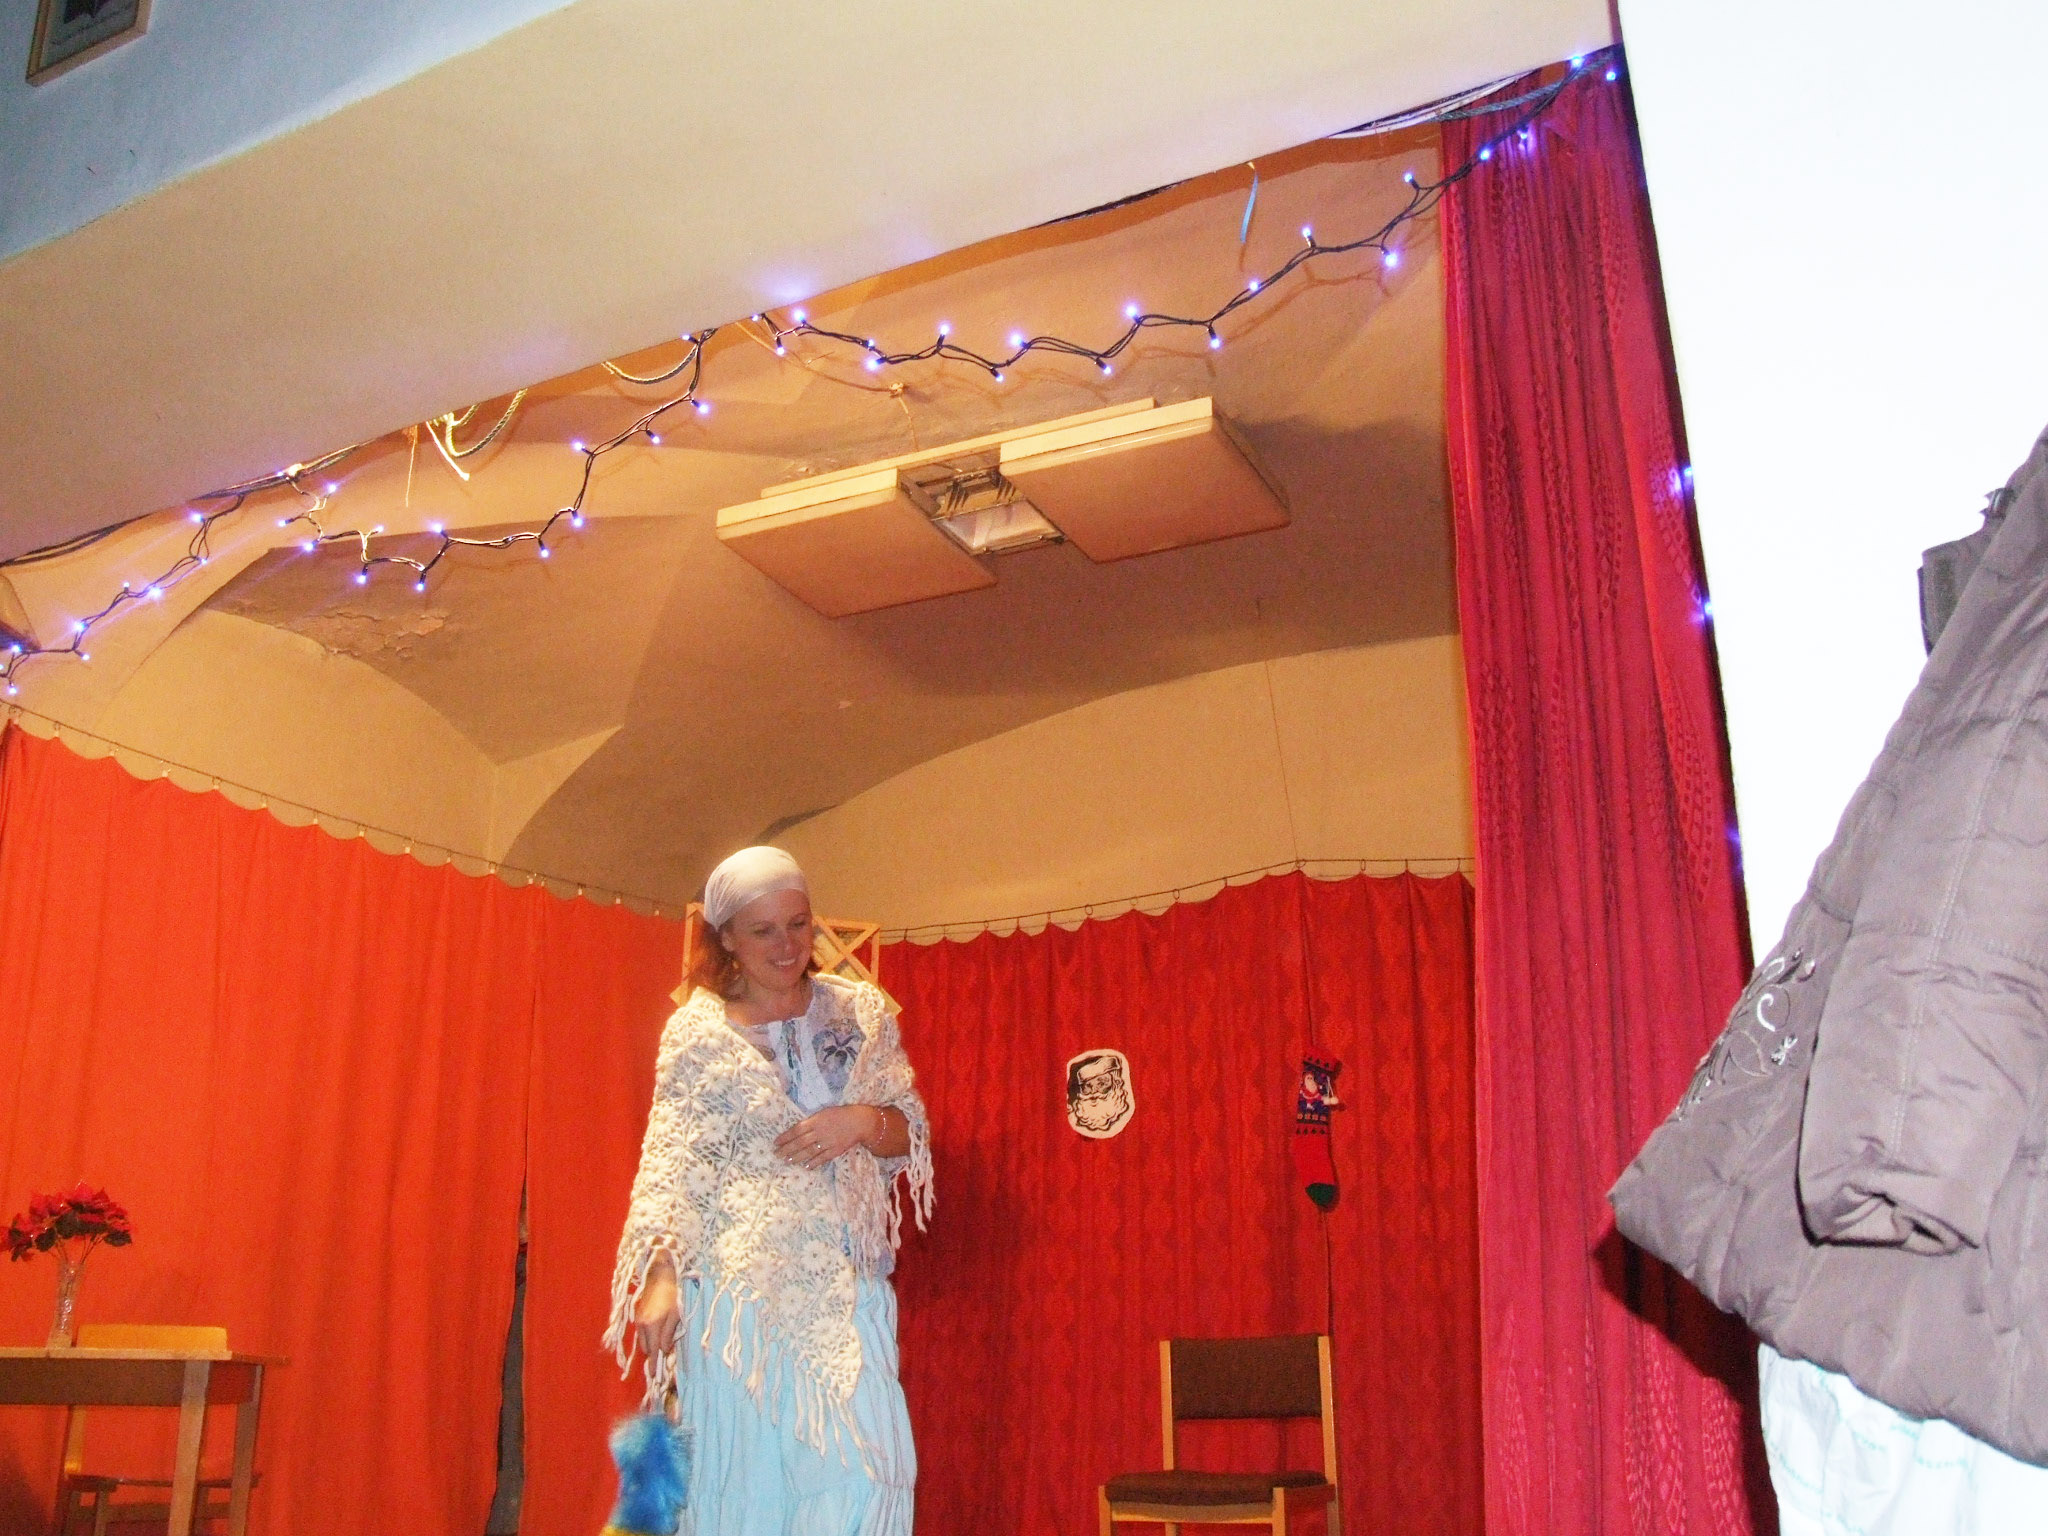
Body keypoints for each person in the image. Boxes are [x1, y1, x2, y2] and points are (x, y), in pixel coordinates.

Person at [606, 846, 933, 1536]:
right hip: (739, 1303)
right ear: (726, 937)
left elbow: (908, 1132)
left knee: (870, 1477)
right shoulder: (696, 1034)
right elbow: (674, 1166)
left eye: (798, 924)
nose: (787, 946)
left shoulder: (861, 1014)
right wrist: (661, 1279)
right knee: (747, 1497)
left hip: (847, 1287)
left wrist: (861, 1122)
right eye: (764, 931)